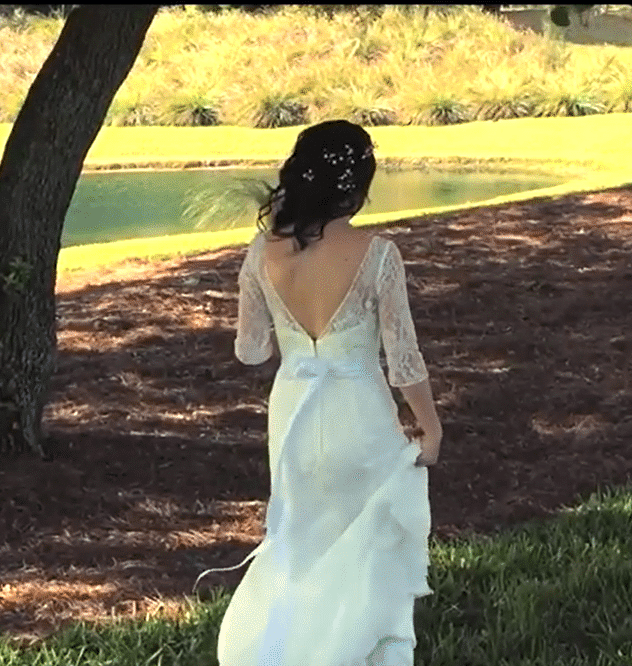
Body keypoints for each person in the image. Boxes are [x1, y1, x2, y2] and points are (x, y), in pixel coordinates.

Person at [201, 119, 443, 666]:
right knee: (365, 538)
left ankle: (293, 648)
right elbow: (402, 358)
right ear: (356, 184)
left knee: (300, 535)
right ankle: (355, 649)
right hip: (358, 405)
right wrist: (430, 425)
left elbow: (251, 350)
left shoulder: (265, 251)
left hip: (293, 410)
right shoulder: (377, 253)